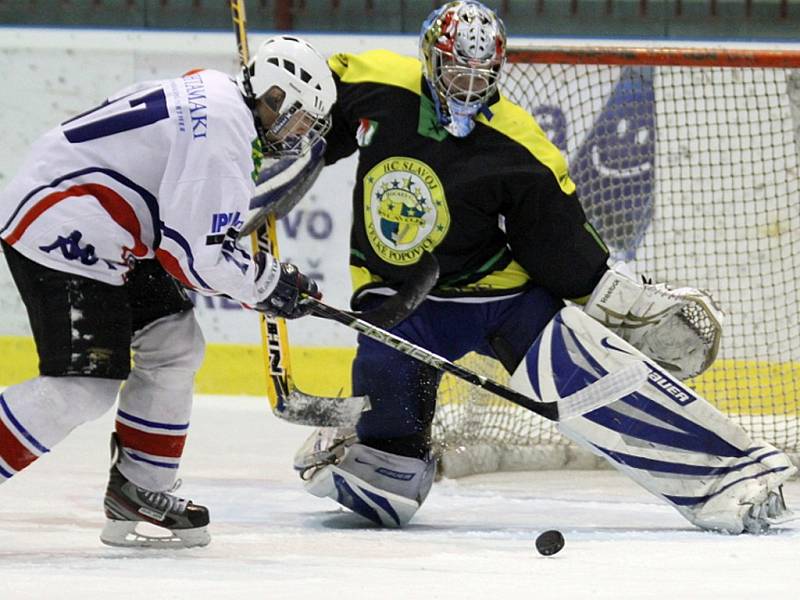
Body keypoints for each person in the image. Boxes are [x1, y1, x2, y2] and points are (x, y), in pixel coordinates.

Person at [293, 1, 795, 534]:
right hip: (397, 303)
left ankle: (732, 477)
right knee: (386, 493)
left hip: (497, 299)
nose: (467, 84)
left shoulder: (519, 144)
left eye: (480, 73)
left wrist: (618, 300)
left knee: (592, 377)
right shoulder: (373, 81)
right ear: (430, 59)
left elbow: (557, 245)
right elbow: (307, 116)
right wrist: (261, 154)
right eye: (457, 69)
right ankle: (364, 446)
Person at [0, 35, 334, 548]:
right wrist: (268, 283)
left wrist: (263, 278)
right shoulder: (226, 131)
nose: (299, 135)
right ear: (270, 98)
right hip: (65, 218)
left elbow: (186, 237)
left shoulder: (224, 100)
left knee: (174, 341)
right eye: (297, 119)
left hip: (100, 218)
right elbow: (192, 258)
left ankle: (140, 488)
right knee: (83, 387)